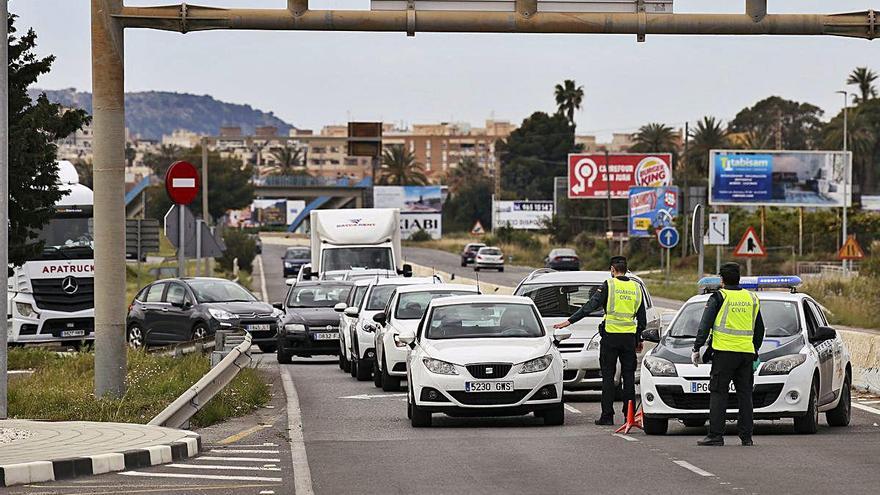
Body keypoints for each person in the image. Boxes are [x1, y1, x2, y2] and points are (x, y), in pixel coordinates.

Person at [554, 256, 646, 425]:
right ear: (626, 269)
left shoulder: (609, 285)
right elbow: (642, 318)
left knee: (608, 378)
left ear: (612, 269)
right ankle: (629, 417)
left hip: (610, 338)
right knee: (629, 379)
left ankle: (607, 416)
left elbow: (590, 306)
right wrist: (638, 338)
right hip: (629, 339)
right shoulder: (636, 287)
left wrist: (569, 321)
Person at [692, 262, 765, 447]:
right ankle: (746, 437)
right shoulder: (752, 298)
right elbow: (760, 329)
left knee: (718, 393)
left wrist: (697, 348)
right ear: (739, 278)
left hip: (724, 354)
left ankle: (716, 435)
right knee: (745, 395)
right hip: (746, 355)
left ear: (722, 280)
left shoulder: (718, 296)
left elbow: (705, 325)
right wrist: (754, 349)